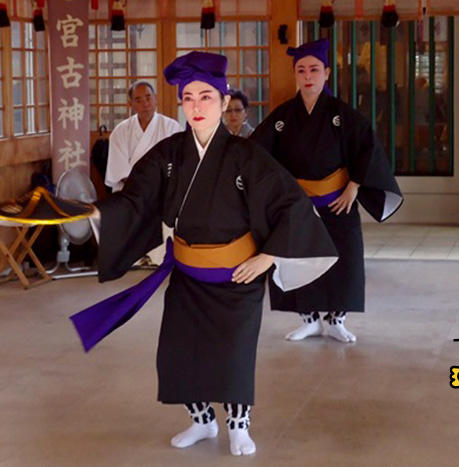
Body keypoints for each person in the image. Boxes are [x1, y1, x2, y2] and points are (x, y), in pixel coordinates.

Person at [71, 51, 338, 456]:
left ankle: (239, 427)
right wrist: (92, 211)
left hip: (236, 278)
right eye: (189, 98)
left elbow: (291, 205)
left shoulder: (247, 155)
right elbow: (136, 198)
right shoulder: (170, 153)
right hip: (188, 276)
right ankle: (202, 422)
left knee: (231, 357)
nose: (196, 106)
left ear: (223, 99)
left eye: (206, 97)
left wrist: (267, 257)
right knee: (180, 355)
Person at [251, 39, 403, 344]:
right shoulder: (282, 117)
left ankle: (337, 320)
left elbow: (367, 148)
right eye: (302, 70)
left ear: (327, 73)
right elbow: (257, 153)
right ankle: (308, 320)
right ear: (296, 74)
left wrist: (354, 186)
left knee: (343, 260)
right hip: (298, 205)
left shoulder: (341, 115)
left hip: (338, 202)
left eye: (314, 69)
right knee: (296, 260)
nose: (308, 76)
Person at [105, 81, 183, 265]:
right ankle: (135, 257)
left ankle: (162, 257)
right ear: (131, 104)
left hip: (163, 189)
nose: (145, 103)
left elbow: (178, 165)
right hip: (131, 189)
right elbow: (119, 169)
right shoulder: (121, 131)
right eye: (138, 100)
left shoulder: (171, 128)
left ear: (155, 99)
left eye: (148, 97)